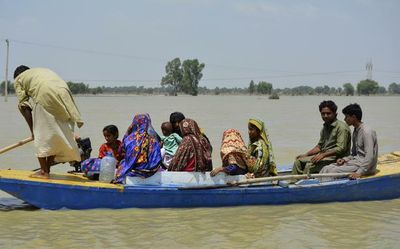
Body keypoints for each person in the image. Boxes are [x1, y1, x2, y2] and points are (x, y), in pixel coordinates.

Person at [13, 65, 84, 178]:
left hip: (45, 93)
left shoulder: (19, 79)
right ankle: (46, 170)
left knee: (40, 136)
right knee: (56, 135)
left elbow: (24, 105)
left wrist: (33, 131)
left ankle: (44, 172)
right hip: (64, 92)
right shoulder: (39, 72)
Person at [291, 100, 351, 175]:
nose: (325, 116)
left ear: (335, 114)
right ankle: (293, 182)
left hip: (337, 158)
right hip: (324, 156)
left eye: (328, 113)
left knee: (309, 166)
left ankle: (303, 184)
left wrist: (323, 155)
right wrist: (306, 154)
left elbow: (341, 148)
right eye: (323, 114)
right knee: (298, 162)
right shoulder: (325, 128)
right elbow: (319, 146)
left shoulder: (341, 127)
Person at [320, 104, 378, 179]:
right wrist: (345, 159)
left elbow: (369, 157)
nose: (344, 119)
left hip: (365, 167)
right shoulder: (356, 131)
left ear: (353, 117)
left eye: (346, 116)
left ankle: (325, 189)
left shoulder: (367, 132)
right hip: (355, 163)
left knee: (332, 171)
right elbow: (354, 154)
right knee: (326, 168)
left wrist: (359, 173)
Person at [114, 113, 162, 183]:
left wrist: (127, 132)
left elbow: (120, 152)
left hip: (135, 168)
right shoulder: (154, 139)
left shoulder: (130, 138)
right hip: (152, 169)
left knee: (123, 163)